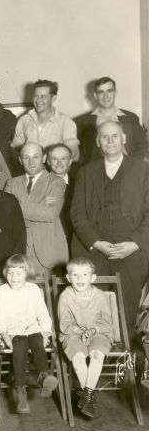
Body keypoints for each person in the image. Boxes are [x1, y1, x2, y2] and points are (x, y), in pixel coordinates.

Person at [70, 120, 149, 343]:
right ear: (97, 142)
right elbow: (77, 213)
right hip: (96, 254)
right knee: (95, 313)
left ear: (124, 139)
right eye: (105, 137)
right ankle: (96, 365)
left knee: (127, 310)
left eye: (115, 136)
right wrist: (96, 243)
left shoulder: (144, 170)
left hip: (133, 253)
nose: (110, 141)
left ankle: (126, 370)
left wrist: (134, 244)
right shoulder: (86, 172)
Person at [0, 254, 57, 414]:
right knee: (20, 344)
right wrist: (5, 336)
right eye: (10, 273)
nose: (14, 277)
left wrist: (46, 332)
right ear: (5, 273)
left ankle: (43, 376)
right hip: (11, 331)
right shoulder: (2, 291)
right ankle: (21, 391)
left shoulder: (33, 289)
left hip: (32, 328)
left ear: (27, 274)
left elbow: (42, 313)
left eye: (19, 273)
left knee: (36, 339)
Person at [57, 257, 114, 419]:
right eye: (75, 275)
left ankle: (86, 396)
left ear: (93, 278)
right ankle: (90, 396)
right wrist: (79, 331)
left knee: (97, 355)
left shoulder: (100, 296)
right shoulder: (65, 296)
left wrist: (93, 330)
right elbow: (65, 323)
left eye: (84, 275)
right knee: (79, 358)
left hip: (99, 333)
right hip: (72, 334)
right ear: (68, 278)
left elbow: (107, 322)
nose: (80, 279)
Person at [5, 142, 68, 278]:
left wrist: (15, 205)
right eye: (26, 157)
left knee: (49, 298)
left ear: (44, 158)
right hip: (19, 253)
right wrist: (40, 205)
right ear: (20, 160)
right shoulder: (11, 183)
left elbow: (50, 213)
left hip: (49, 255)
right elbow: (5, 212)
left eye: (36, 157)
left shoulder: (56, 182)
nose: (31, 162)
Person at [75, 76, 147, 165]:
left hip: (128, 170)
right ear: (95, 96)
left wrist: (132, 165)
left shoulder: (131, 117)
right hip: (97, 174)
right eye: (101, 92)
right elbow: (77, 150)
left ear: (115, 93)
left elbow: (142, 144)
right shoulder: (81, 121)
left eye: (109, 91)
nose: (106, 96)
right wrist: (88, 169)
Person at [11, 79, 80, 161]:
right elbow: (15, 148)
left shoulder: (66, 122)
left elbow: (75, 154)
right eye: (36, 96)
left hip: (54, 171)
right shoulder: (24, 120)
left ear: (53, 98)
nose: (38, 100)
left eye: (43, 96)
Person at [47, 143, 75, 244]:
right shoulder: (38, 183)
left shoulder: (79, 184)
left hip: (70, 241)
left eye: (63, 159)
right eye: (54, 159)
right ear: (48, 161)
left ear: (70, 161)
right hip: (44, 240)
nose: (59, 163)